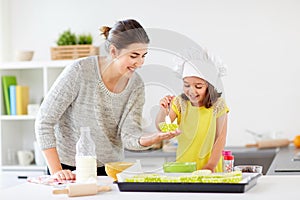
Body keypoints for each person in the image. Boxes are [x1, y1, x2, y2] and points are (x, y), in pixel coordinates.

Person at [35, 19, 180, 181]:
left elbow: (129, 135)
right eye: (134, 56)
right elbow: (44, 121)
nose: (140, 63)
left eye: (143, 56)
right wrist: (57, 171)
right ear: (113, 51)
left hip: (110, 170)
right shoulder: (80, 71)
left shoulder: (136, 85)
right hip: (68, 168)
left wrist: (152, 138)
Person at [156, 56, 229, 172]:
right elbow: (163, 128)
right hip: (184, 167)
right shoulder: (180, 103)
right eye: (186, 85)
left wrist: (210, 166)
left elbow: (220, 138)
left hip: (211, 168)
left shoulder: (218, 105)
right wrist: (163, 110)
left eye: (198, 86)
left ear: (209, 86)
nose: (192, 91)